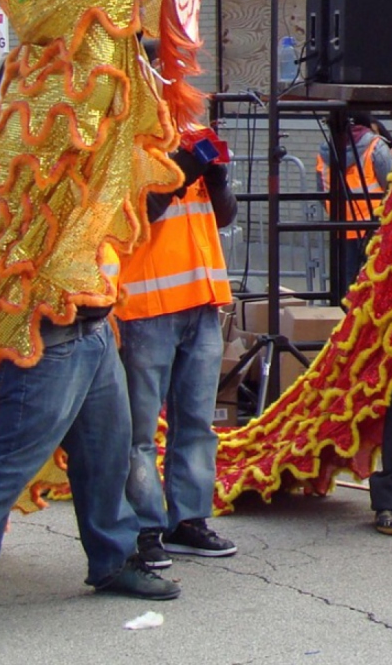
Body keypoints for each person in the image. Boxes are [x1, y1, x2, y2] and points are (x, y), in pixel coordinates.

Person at [0, 195, 176, 651]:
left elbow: (125, 209)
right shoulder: (39, 144)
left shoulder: (107, 148)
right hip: (44, 340)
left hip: (94, 332)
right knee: (4, 468)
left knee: (106, 457)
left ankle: (114, 558)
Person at [119, 130, 239, 567]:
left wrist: (218, 180)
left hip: (201, 301)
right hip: (148, 307)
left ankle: (187, 521)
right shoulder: (127, 146)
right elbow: (129, 219)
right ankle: (144, 527)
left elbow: (222, 217)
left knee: (196, 424)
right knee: (140, 431)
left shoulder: (191, 143)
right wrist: (179, 174)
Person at [314, 112, 392, 292]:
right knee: (372, 279)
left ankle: (344, 315)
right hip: (372, 223)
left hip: (340, 224)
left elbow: (321, 190)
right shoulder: (375, 146)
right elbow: (390, 181)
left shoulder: (324, 151)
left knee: (345, 281)